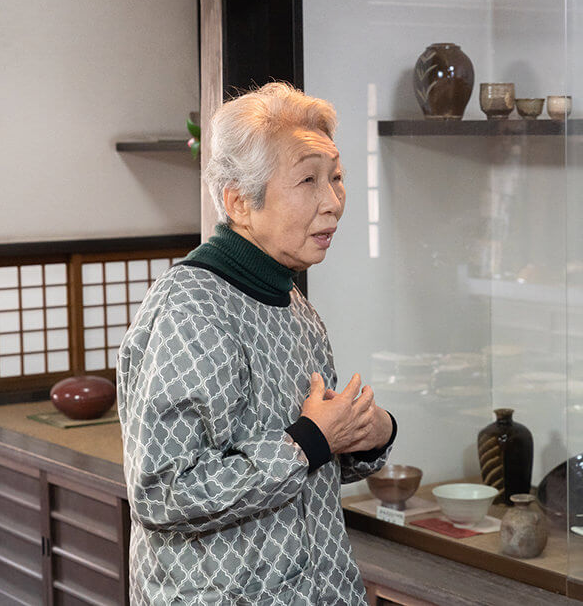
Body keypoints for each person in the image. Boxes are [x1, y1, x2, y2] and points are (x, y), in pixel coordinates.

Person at [117, 82, 396, 605]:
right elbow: (163, 492)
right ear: (239, 202)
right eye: (308, 180)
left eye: (336, 177)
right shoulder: (191, 309)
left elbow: (312, 459)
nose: (333, 202)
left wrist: (370, 435)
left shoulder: (291, 300)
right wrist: (310, 439)